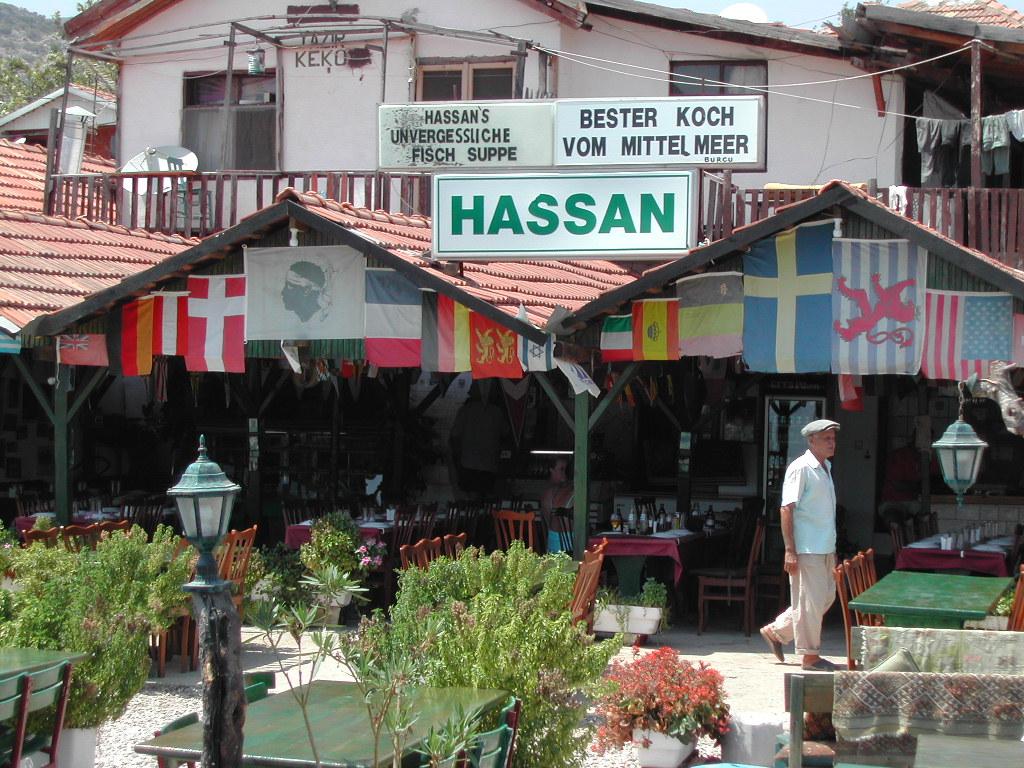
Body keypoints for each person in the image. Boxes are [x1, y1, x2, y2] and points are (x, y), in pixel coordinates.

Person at [760, 419, 840, 672]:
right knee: (810, 603)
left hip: (824, 546)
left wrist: (833, 548)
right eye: (826, 438)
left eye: (833, 438)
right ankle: (810, 657)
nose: (832, 442)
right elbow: (786, 509)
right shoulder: (801, 468)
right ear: (811, 440)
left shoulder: (825, 467)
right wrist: (790, 550)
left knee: (824, 598)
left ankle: (776, 632)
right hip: (807, 549)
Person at [541, 457, 573, 553]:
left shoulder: (547, 493)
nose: (565, 473)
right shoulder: (566, 492)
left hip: (551, 547)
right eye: (562, 469)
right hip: (568, 549)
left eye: (566, 470)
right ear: (552, 470)